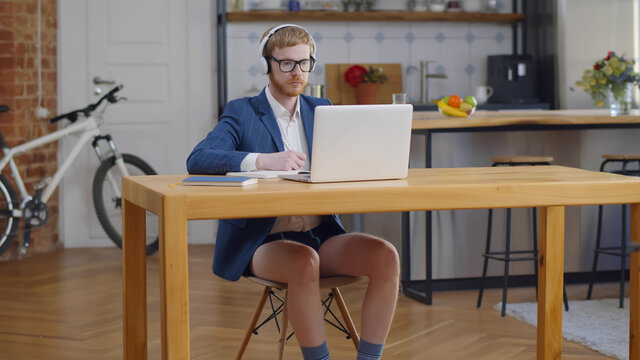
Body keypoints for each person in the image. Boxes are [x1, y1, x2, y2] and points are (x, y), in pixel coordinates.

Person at [186, 24, 399, 360]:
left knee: (385, 255)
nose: (297, 72)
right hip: (262, 242)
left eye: (304, 63)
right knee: (303, 262)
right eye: (286, 63)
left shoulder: (322, 109)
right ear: (266, 65)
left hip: (319, 235)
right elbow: (199, 159)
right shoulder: (242, 112)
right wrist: (263, 160)